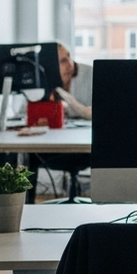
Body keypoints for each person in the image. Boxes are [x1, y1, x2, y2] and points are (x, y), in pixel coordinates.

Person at [34, 44, 93, 201]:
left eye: (69, 57)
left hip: (83, 148)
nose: (70, 64)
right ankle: (26, 206)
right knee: (23, 157)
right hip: (48, 148)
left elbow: (96, 113)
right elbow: (22, 114)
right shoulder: (40, 80)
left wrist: (69, 100)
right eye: (63, 61)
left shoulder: (89, 75)